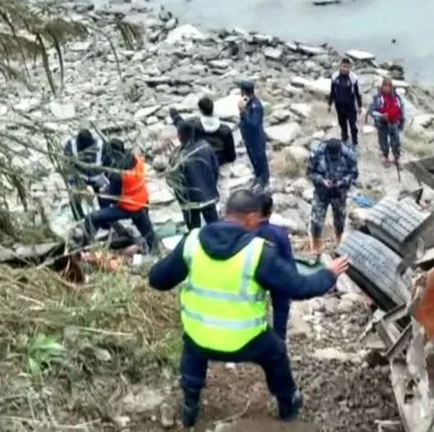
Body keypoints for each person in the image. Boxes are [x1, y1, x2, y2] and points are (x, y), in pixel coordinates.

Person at [148, 190, 350, 427]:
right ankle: (288, 403)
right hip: (245, 341)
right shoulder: (258, 252)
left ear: (226, 212)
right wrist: (329, 274)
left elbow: (157, 279)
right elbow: (298, 287)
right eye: (259, 219)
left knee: (192, 346)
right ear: (253, 217)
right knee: (276, 353)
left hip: (200, 335)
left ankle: (190, 405)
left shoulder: (192, 241)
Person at [81, 142, 158, 253]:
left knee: (92, 217)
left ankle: (83, 247)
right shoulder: (137, 160)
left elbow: (113, 198)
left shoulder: (118, 175)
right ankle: (154, 249)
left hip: (129, 208)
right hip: (143, 200)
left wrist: (102, 192)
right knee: (149, 234)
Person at [307, 138, 358, 255]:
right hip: (321, 192)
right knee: (317, 221)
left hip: (339, 193)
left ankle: (339, 243)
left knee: (340, 221)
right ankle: (315, 246)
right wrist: (322, 181)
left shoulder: (349, 155)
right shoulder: (317, 153)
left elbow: (354, 174)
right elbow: (310, 173)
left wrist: (341, 182)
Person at [256, 193, 296, 341]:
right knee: (281, 307)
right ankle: (279, 339)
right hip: (276, 276)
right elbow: (287, 260)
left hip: (253, 276)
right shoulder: (279, 233)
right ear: (271, 211)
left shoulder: (247, 231)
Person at [167, 122, 221, 229]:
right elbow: (215, 169)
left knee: (194, 231)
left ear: (179, 136)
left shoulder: (177, 156)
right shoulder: (205, 146)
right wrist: (211, 187)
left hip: (189, 203)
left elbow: (172, 181)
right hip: (208, 197)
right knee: (215, 226)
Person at [63, 129, 114, 221]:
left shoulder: (101, 145)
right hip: (80, 178)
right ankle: (79, 219)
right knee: (74, 196)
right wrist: (72, 184)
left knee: (105, 196)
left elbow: (109, 164)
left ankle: (106, 219)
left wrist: (108, 180)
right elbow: (68, 167)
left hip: (99, 177)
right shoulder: (71, 146)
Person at [168, 96, 236, 166]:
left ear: (200, 110)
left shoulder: (193, 126)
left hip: (199, 160)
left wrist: (175, 115)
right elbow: (231, 157)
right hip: (218, 161)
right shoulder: (225, 130)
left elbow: (181, 125)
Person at [238, 80, 269, 191]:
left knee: (260, 159)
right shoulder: (247, 102)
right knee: (253, 158)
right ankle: (257, 176)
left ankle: (264, 180)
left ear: (244, 91)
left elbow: (253, 123)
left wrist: (243, 111)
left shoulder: (256, 106)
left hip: (256, 138)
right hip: (248, 138)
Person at [370, 78, 405, 167]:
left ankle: (396, 157)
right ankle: (385, 157)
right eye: (385, 85)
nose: (387, 88)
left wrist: (401, 122)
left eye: (389, 86)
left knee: (396, 141)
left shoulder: (397, 98)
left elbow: (401, 110)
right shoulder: (377, 98)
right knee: (383, 141)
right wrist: (381, 116)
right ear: (382, 86)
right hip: (382, 124)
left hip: (394, 123)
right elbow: (372, 112)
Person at [328, 57, 362, 147]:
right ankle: (344, 138)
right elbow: (332, 91)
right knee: (342, 123)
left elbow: (357, 93)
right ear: (340, 66)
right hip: (339, 105)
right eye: (343, 66)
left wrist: (359, 106)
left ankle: (355, 142)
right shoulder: (335, 76)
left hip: (350, 105)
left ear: (350, 68)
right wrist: (329, 104)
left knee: (353, 125)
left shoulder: (353, 78)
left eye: (347, 67)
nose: (345, 69)